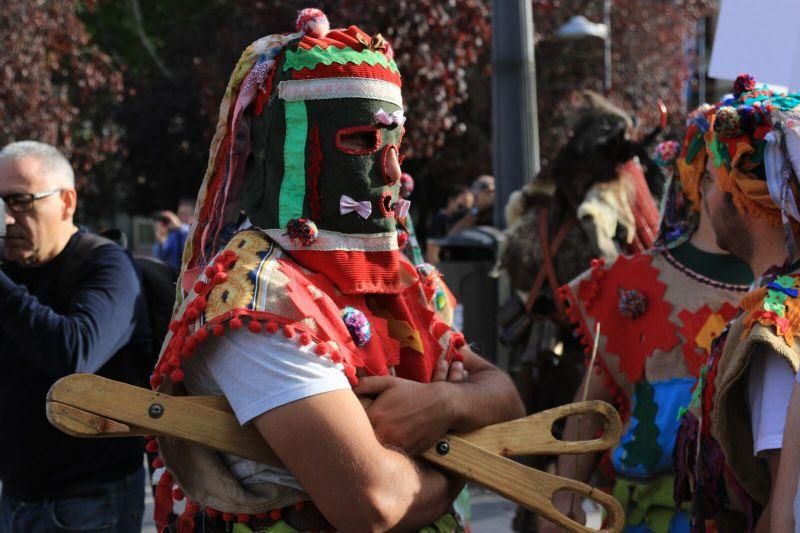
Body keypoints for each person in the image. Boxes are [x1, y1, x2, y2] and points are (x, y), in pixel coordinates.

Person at [147, 9, 523, 532]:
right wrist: (456, 460)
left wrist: (439, 403)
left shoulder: (400, 281)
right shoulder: (257, 300)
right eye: (362, 141)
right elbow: (374, 505)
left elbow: (505, 396)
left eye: (394, 142)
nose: (389, 169)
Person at [542, 102, 753, 533]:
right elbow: (591, 407)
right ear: (703, 174)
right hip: (649, 517)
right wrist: (565, 497)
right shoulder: (631, 283)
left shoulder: (786, 287)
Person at [0, 141, 150, 532]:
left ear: (66, 202)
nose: (7, 219)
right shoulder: (11, 270)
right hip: (16, 496)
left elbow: (74, 355)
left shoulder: (105, 265)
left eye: (20, 201)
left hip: (89, 502)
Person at [671, 76, 800, 532]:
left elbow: (785, 509)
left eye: (712, 178)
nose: (704, 199)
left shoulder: (776, 328)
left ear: (740, 197)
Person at [426, 185, 473, 264]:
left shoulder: (463, 219)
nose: (464, 211)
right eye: (460, 206)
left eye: (467, 209)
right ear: (451, 201)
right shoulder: (440, 219)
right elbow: (432, 249)